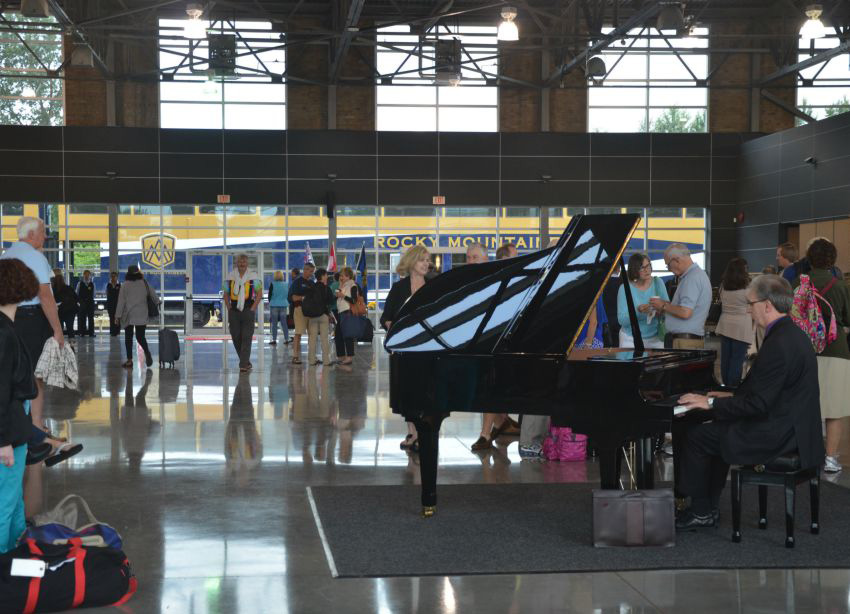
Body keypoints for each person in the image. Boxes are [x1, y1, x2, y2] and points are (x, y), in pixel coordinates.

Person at [676, 275, 824, 529]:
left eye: (750, 303)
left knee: (699, 436)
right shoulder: (792, 335)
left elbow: (758, 404)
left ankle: (701, 510)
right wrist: (726, 396)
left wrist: (710, 404)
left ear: (767, 305)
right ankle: (707, 506)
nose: (748, 309)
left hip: (777, 433)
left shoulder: (778, 343)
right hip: (792, 427)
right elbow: (769, 391)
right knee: (716, 429)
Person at [0, 217, 64, 439]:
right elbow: (45, 296)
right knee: (37, 373)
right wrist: (58, 330)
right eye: (43, 232)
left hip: (8, 319)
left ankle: (18, 425)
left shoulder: (6, 255)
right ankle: (36, 427)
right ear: (31, 235)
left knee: (11, 372)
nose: (45, 236)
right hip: (32, 319)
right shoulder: (35, 257)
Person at [792, 238, 850, 474]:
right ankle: (830, 458)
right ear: (832, 259)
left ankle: (807, 453)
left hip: (803, 350)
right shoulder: (839, 286)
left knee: (806, 404)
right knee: (834, 408)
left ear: (809, 258)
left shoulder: (799, 282)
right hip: (835, 350)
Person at [0, 259, 39, 553]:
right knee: (5, 503)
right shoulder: (4, 334)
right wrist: (3, 441)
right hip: (8, 432)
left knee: (14, 503)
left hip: (16, 427)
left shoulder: (8, 327)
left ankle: (16, 554)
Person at [468, 243, 520, 452]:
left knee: (489, 386)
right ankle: (501, 422)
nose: (470, 261)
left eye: (474, 257)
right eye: (468, 257)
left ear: (485, 259)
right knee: (485, 387)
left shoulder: (496, 280)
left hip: (495, 341)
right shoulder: (469, 282)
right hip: (476, 342)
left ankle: (485, 433)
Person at [381, 245, 431, 451]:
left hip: (428, 347)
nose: (426, 264)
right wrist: (395, 332)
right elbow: (387, 317)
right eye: (422, 260)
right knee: (407, 392)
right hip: (404, 349)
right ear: (412, 262)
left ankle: (422, 433)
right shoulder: (399, 288)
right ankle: (412, 431)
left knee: (425, 391)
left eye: (428, 260)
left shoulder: (433, 285)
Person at [649, 243, 712, 349]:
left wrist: (664, 306)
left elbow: (685, 312)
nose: (668, 269)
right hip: (687, 340)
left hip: (684, 342)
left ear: (676, 260)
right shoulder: (696, 275)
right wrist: (663, 306)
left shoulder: (692, 278)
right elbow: (684, 307)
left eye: (668, 265)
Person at [715, 258, 755, 388]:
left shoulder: (723, 286)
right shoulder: (748, 289)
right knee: (737, 360)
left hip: (725, 324)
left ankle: (725, 385)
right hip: (741, 326)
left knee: (725, 359)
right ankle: (733, 388)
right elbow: (753, 306)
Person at [617, 253, 668, 349]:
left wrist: (659, 310)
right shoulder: (624, 288)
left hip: (656, 338)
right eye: (642, 267)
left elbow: (668, 310)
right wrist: (638, 311)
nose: (647, 270)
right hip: (630, 339)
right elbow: (622, 320)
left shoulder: (658, 283)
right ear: (634, 270)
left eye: (648, 265)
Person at [115, 264, 159, 369]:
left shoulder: (125, 285)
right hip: (141, 314)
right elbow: (155, 298)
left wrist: (117, 316)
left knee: (128, 338)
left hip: (128, 315)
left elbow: (121, 302)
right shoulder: (144, 283)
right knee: (140, 337)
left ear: (128, 274)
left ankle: (129, 361)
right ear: (138, 273)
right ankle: (147, 351)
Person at [223, 254, 262, 372]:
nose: (242, 264)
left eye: (244, 262)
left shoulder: (254, 277)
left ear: (247, 264)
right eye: (240, 262)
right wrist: (229, 308)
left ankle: (243, 365)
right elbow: (225, 294)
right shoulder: (229, 277)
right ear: (236, 263)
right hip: (234, 310)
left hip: (248, 309)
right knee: (235, 336)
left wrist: (253, 309)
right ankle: (245, 361)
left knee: (246, 337)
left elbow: (259, 294)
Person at [307, 268, 335, 366]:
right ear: (322, 276)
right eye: (326, 275)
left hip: (312, 316)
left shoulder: (311, 287)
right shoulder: (326, 288)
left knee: (312, 339)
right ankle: (326, 361)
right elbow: (331, 301)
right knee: (324, 338)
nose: (327, 277)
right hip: (323, 315)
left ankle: (311, 360)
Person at [289, 263, 315, 365]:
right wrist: (303, 298)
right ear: (305, 270)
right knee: (298, 333)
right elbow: (292, 297)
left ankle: (312, 356)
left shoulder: (312, 283)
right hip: (299, 309)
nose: (312, 273)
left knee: (312, 334)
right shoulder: (297, 282)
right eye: (310, 271)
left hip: (311, 311)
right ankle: (295, 356)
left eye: (313, 272)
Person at [334, 267, 361, 365]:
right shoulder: (344, 285)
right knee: (338, 335)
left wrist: (343, 296)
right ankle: (341, 356)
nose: (341, 277)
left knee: (347, 335)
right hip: (341, 312)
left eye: (343, 275)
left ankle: (349, 357)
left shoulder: (353, 285)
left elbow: (354, 300)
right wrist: (340, 285)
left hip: (348, 312)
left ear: (349, 276)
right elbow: (336, 294)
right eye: (341, 275)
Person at [267, 270, 290, 346]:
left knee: (274, 323)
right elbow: (288, 295)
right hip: (283, 305)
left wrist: (271, 301)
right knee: (284, 323)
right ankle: (287, 339)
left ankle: (274, 339)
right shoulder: (286, 284)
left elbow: (269, 295)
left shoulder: (272, 284)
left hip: (274, 305)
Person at [53, 274, 79, 339]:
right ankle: (71, 346)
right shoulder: (69, 288)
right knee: (70, 329)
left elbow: (54, 301)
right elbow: (76, 298)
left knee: (60, 329)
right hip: (70, 311)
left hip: (60, 311)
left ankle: (60, 345)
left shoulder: (54, 290)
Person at [75, 269, 96, 337]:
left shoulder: (92, 284)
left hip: (90, 303)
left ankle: (91, 333)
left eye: (88, 275)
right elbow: (77, 293)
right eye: (85, 275)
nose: (86, 276)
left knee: (91, 318)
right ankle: (81, 332)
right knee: (82, 318)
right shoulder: (79, 283)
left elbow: (94, 294)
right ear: (83, 276)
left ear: (90, 276)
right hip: (82, 303)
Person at [106, 271, 121, 337]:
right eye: (112, 276)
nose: (113, 278)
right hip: (110, 304)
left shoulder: (120, 285)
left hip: (118, 304)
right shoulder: (108, 285)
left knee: (117, 318)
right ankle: (112, 331)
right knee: (111, 318)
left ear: (117, 277)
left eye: (114, 276)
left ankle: (117, 331)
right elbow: (107, 293)